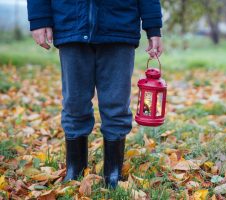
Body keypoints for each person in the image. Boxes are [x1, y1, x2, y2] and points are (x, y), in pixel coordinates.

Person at [27, 0, 163, 189]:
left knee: (116, 105)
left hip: (119, 26)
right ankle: (76, 168)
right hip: (71, 24)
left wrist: (153, 27)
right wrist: (39, 18)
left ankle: (112, 173)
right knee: (74, 103)